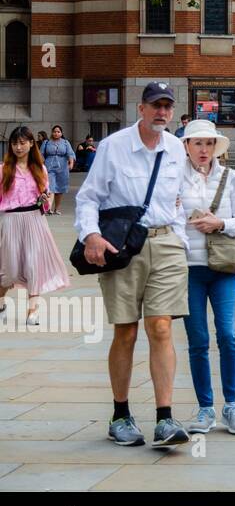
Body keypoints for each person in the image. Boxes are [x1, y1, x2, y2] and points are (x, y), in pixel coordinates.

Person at [76, 82, 191, 448]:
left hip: (167, 244)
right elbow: (88, 197)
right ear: (140, 109)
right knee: (126, 330)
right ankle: (121, 414)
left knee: (161, 328)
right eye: (155, 105)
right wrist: (91, 236)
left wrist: (183, 238)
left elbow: (180, 200)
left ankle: (165, 418)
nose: (162, 112)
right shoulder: (113, 147)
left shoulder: (176, 148)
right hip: (124, 246)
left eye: (167, 107)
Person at [176, 120, 235, 436]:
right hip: (188, 268)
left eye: (209, 143)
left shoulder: (230, 177)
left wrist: (219, 223)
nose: (203, 150)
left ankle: (232, 405)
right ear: (186, 147)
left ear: (216, 147)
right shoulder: (174, 178)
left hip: (222, 267)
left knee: (228, 335)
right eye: (197, 143)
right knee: (198, 341)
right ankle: (205, 408)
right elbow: (170, 220)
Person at [0, 126, 70, 325]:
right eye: (15, 143)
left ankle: (33, 311)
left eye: (23, 143)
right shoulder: (4, 169)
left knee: (33, 265)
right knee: (9, 270)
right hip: (11, 220)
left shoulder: (40, 169)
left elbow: (45, 202)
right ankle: (1, 303)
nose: (18, 147)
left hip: (34, 220)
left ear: (32, 144)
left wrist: (45, 199)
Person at [40, 124, 74, 214]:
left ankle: (57, 208)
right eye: (54, 131)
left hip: (62, 168)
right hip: (49, 167)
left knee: (60, 188)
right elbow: (41, 155)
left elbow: (70, 153)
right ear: (52, 132)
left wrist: (71, 163)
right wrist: (41, 165)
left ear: (61, 133)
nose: (56, 133)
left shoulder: (66, 142)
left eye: (58, 132)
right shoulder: (46, 142)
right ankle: (49, 208)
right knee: (50, 187)